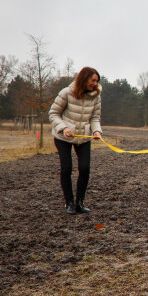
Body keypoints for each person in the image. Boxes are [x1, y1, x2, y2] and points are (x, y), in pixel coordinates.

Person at [49, 66, 103, 215]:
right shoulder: (66, 93)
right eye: (93, 80)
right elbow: (53, 114)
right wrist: (64, 127)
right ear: (84, 78)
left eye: (97, 81)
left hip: (83, 137)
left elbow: (95, 118)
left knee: (85, 168)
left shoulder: (96, 97)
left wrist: (96, 130)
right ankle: (69, 203)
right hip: (63, 136)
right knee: (66, 168)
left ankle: (80, 202)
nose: (95, 84)